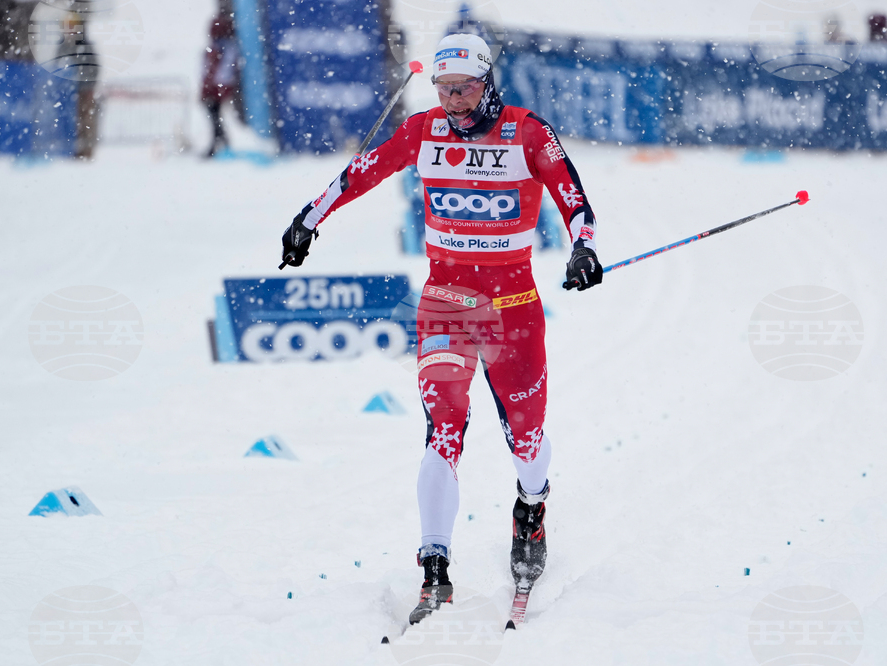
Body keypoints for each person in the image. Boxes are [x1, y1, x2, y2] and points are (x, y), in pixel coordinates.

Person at [279, 32, 603, 623]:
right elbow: (361, 173)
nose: (453, 101)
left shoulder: (529, 132)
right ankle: (435, 569)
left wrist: (584, 248)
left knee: (525, 440)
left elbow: (573, 197)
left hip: (515, 306)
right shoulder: (424, 130)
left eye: (465, 89)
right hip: (446, 303)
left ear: (488, 84)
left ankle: (531, 507)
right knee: (442, 431)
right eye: (444, 89)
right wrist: (308, 221)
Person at [201, 13, 240, 158]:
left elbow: (224, 70)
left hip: (217, 88)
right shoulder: (217, 48)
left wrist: (219, 86)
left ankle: (220, 145)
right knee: (215, 118)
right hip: (214, 88)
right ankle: (221, 144)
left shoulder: (226, 48)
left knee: (218, 118)